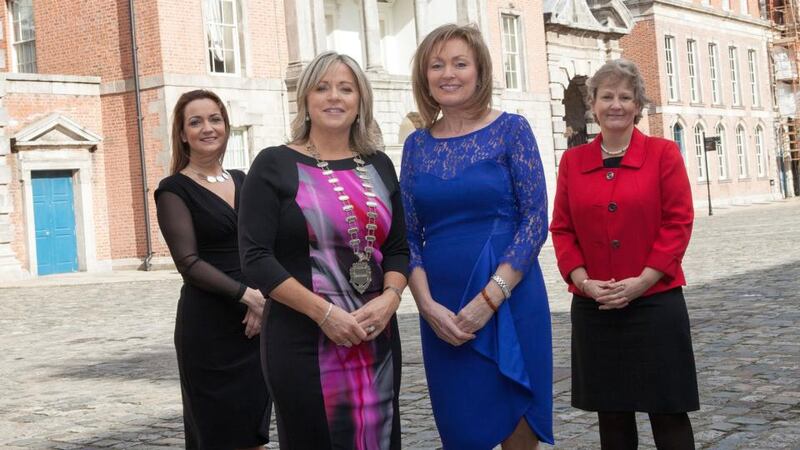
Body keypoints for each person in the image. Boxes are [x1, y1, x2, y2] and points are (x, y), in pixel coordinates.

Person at [238, 51, 409, 449]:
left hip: (375, 337)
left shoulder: (380, 165)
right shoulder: (274, 164)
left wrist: (390, 299)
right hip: (303, 342)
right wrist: (325, 313)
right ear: (306, 99)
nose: (334, 97)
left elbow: (398, 247)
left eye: (346, 88)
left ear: (360, 101)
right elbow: (256, 259)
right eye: (322, 87)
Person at [401, 24, 553, 449]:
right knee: (462, 431)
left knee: (517, 430)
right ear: (424, 76)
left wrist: (491, 297)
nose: (448, 73)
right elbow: (409, 236)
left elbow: (535, 220)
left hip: (511, 299)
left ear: (479, 70)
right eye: (437, 65)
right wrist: (427, 307)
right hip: (443, 310)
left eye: (459, 63)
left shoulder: (512, 130)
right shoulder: (415, 145)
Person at [550, 59, 699, 449]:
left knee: (668, 412)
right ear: (593, 104)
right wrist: (582, 281)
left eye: (625, 97)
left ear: (638, 105)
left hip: (655, 302)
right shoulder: (573, 161)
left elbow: (678, 222)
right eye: (607, 97)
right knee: (612, 416)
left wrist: (644, 280)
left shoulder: (663, 154)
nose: (616, 105)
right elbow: (562, 229)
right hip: (595, 306)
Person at [154, 89, 271, 449]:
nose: (208, 127)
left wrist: (261, 299)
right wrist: (246, 297)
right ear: (182, 133)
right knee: (216, 434)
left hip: (255, 324)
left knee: (253, 430)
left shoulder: (244, 178)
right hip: (208, 328)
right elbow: (188, 264)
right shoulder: (173, 190)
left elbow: (266, 244)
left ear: (226, 127)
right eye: (196, 121)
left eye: (215, 119)